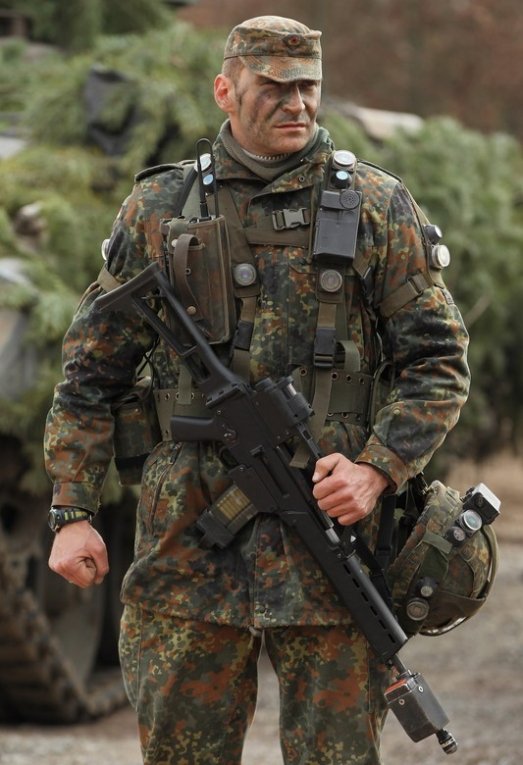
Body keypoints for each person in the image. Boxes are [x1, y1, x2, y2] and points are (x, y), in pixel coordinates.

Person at [44, 15, 470, 765]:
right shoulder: (161, 208)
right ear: (225, 91)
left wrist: (376, 469)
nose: (296, 103)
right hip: (187, 552)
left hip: (332, 551)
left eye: (307, 87)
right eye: (274, 88)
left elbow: (438, 359)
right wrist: (72, 511)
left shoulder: (374, 205)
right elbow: (90, 369)